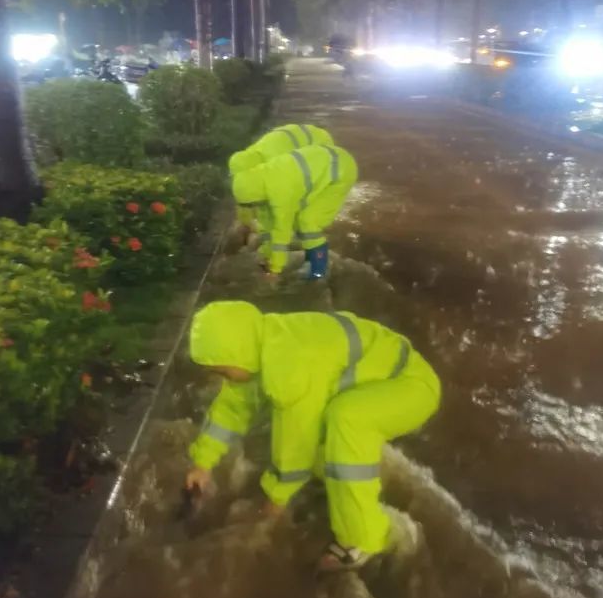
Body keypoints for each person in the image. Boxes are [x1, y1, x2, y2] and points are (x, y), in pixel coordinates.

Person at [185, 301, 441, 571]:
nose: (224, 377)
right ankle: (359, 485)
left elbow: (295, 445)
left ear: (238, 354)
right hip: (388, 380)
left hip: (411, 387)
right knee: (331, 434)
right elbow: (230, 409)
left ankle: (368, 538)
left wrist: (274, 504)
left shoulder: (290, 369)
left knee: (344, 418)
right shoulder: (264, 342)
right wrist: (202, 464)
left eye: (223, 371)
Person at [232, 143, 357, 279]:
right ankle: (310, 259)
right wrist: (266, 255)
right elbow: (268, 224)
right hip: (325, 160)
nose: (253, 208)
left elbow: (281, 232)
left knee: (308, 222)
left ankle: (318, 272)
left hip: (340, 170)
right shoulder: (261, 182)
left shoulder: (280, 192)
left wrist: (275, 270)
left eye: (252, 205)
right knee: (299, 220)